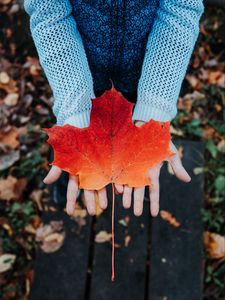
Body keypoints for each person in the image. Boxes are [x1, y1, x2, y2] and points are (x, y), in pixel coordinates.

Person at [24, 0, 204, 217]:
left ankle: (137, 174)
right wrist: (75, 109)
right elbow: (47, 11)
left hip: (148, 71)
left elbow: (181, 8)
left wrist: (154, 108)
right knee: (74, 142)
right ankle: (68, 179)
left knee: (134, 138)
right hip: (79, 71)